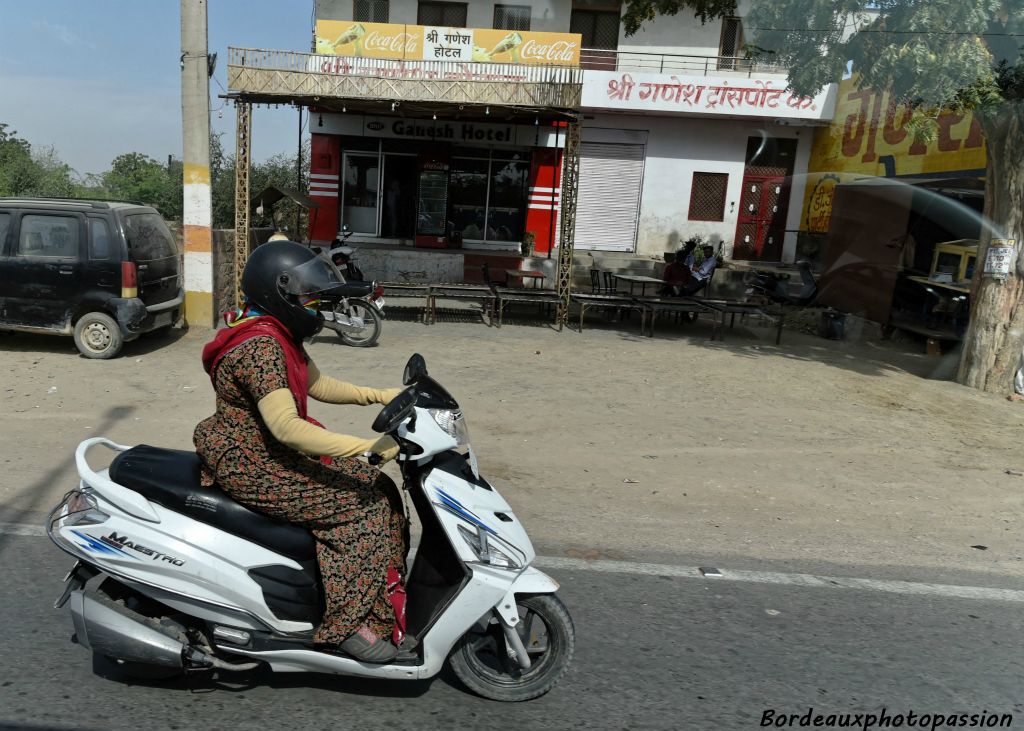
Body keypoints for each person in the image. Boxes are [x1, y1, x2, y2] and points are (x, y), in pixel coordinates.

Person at [193, 241, 407, 663]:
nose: (315, 306)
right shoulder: (260, 347)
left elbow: (318, 385)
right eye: (308, 298)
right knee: (360, 508)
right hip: (253, 463)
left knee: (380, 487)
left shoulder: (275, 331)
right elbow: (286, 428)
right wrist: (367, 447)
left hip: (266, 450)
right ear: (280, 293)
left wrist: (382, 394)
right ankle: (345, 628)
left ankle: (381, 608)